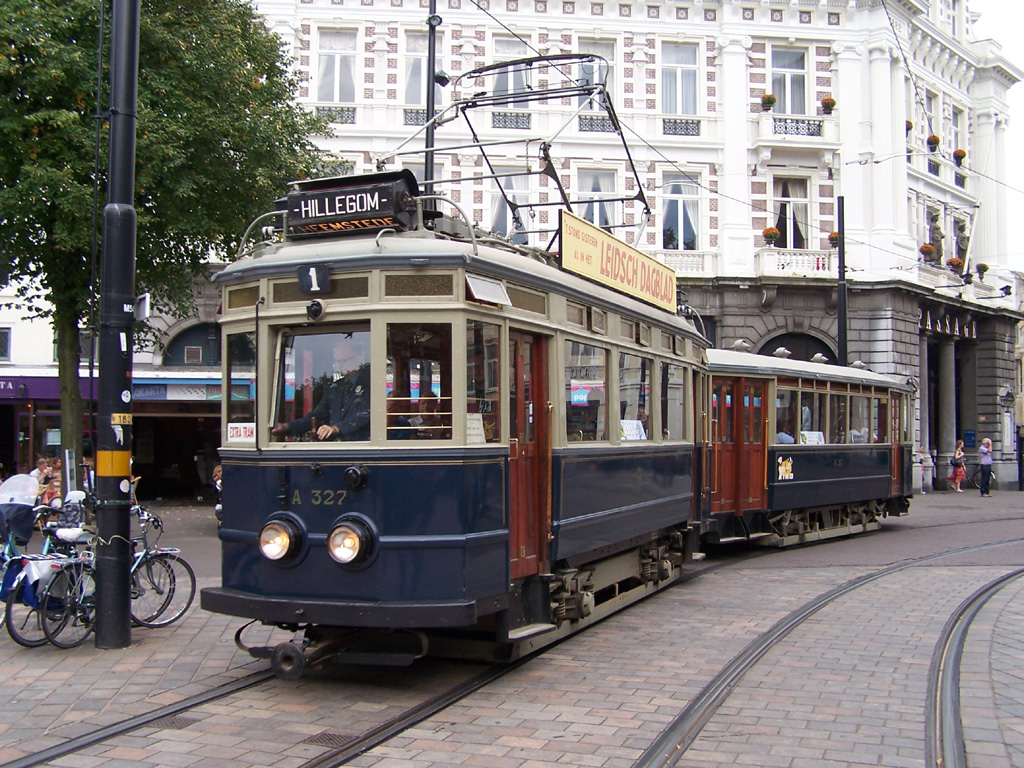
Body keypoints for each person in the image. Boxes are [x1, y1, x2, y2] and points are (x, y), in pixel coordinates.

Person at [272, 335, 371, 441]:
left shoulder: (371, 383)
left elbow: (366, 414)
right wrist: (287, 427)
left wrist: (337, 428)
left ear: (358, 359)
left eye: (343, 361)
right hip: (337, 449)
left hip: (363, 447)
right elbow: (317, 416)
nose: (339, 365)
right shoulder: (336, 388)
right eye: (337, 361)